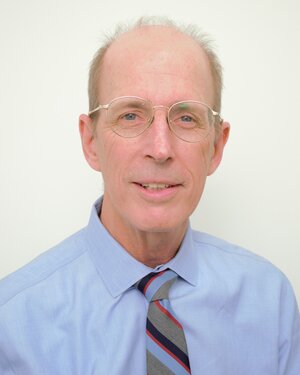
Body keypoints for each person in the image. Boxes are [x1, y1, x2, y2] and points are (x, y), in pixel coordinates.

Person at [0, 17, 299, 375]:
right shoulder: (12, 322)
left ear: (217, 145)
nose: (160, 149)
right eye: (130, 115)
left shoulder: (269, 300)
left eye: (186, 118)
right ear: (90, 142)